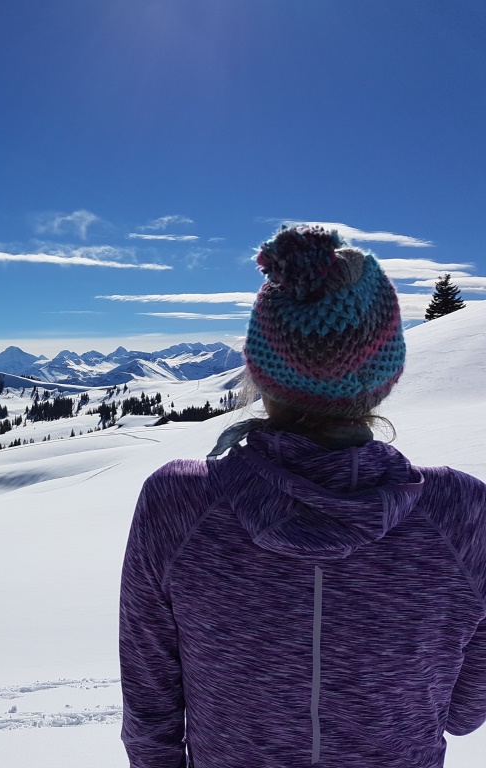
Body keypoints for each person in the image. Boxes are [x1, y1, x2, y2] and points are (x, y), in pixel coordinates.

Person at [119, 225, 486, 767]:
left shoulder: (178, 502)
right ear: (387, 370)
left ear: (258, 366)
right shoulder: (460, 512)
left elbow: (151, 706)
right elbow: (463, 710)